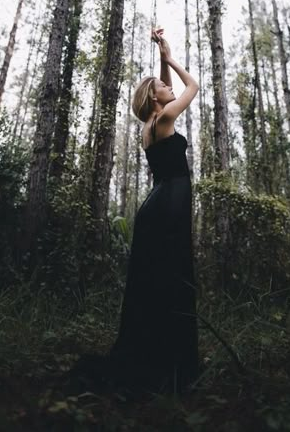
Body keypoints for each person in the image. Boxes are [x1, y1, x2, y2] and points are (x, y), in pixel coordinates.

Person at [68, 27, 199, 397]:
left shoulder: (152, 123)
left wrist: (162, 55)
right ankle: (170, 364)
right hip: (169, 202)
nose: (168, 86)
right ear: (155, 98)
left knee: (160, 279)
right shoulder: (166, 117)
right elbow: (193, 87)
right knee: (171, 276)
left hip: (157, 204)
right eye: (162, 86)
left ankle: (158, 354)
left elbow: (169, 87)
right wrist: (173, 61)